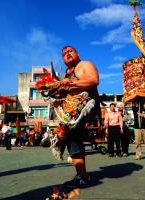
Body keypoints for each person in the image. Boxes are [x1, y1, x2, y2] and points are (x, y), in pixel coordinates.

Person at [60, 46, 101, 188]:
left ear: (78, 53)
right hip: (72, 110)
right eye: (64, 54)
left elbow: (94, 80)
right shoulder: (66, 74)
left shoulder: (85, 65)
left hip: (88, 105)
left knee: (71, 134)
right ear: (63, 59)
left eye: (70, 51)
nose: (67, 54)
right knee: (69, 138)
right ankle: (81, 175)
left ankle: (83, 177)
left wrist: (70, 83)